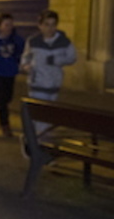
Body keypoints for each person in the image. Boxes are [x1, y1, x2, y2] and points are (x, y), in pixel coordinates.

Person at [20, 10, 77, 138]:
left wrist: (56, 60)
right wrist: (25, 66)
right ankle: (40, 143)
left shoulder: (64, 41)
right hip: (37, 83)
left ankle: (36, 141)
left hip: (54, 83)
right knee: (40, 115)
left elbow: (72, 57)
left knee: (49, 115)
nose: (50, 28)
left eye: (53, 25)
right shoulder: (33, 41)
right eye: (46, 24)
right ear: (40, 25)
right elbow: (26, 56)